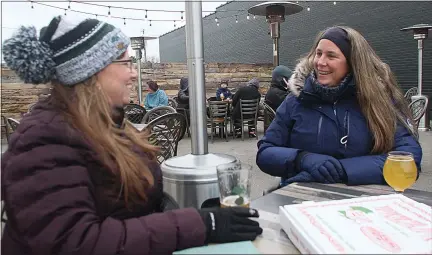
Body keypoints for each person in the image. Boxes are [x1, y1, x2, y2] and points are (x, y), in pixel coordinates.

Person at [1, 16, 262, 254]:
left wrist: (202, 213)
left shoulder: (107, 124)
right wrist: (199, 224)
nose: (134, 73)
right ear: (91, 72)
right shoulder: (45, 140)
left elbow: (130, 207)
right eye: (126, 62)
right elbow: (75, 242)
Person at [256, 26, 422, 187]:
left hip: (363, 203)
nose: (321, 62)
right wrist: (302, 159)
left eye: (331, 56)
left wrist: (343, 171)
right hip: (302, 198)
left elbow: (409, 157)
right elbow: (265, 152)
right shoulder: (295, 101)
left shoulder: (379, 101)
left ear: (352, 63)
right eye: (318, 54)